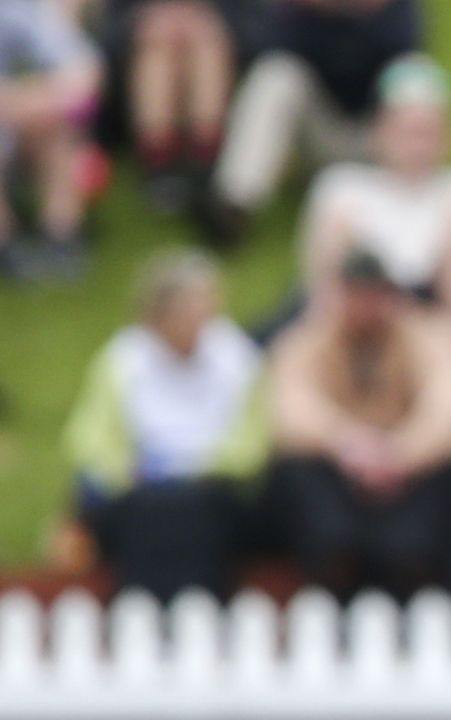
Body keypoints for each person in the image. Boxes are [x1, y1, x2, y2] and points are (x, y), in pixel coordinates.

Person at [265, 249, 451, 601]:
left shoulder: (431, 334)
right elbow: (291, 409)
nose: (365, 305)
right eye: (356, 293)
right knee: (302, 491)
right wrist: (347, 443)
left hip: (412, 472)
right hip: (331, 470)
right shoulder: (305, 340)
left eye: (375, 293)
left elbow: (448, 405)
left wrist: (398, 454)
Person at [64, 249, 266, 599]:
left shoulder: (237, 357)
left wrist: (193, 470)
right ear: (158, 314)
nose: (200, 318)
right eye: (188, 310)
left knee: (193, 511)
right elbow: (92, 442)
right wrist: (134, 475)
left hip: (211, 491)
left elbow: (252, 444)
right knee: (152, 512)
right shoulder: (123, 360)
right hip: (139, 493)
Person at [300, 55, 451, 350]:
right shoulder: (343, 186)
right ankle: (332, 362)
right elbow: (317, 281)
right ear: (379, 131)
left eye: (427, 132)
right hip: (365, 305)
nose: (417, 146)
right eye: (407, 131)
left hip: (440, 317)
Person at [201, 0, 423, 244]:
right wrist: (315, 13)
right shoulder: (297, 11)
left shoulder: (393, 9)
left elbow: (407, 52)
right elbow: (264, 50)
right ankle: (235, 202)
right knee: (276, 76)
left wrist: (363, 16)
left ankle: (411, 193)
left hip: (375, 136)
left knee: (411, 79)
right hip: (319, 133)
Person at [102, 0, 255, 211]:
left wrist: (210, 23)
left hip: (218, 48)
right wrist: (147, 23)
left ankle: (205, 160)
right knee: (159, 47)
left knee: (206, 44)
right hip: (140, 59)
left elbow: (256, 28)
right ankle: (160, 162)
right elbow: (109, 36)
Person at [0, 0, 101, 281]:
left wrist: (33, 103)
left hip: (26, 123)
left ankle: (62, 238)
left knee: (60, 130)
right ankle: (5, 244)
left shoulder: (32, 11)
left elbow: (84, 73)